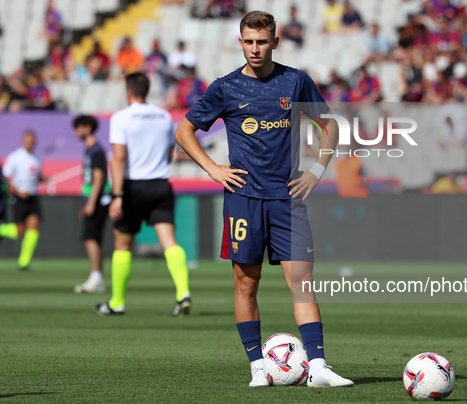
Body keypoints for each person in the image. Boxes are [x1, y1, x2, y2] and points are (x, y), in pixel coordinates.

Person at [175, 11, 353, 388]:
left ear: (275, 41)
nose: (255, 48)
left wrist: (317, 170)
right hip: (243, 199)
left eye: (262, 41)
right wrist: (212, 168)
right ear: (240, 43)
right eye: (249, 41)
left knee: (302, 280)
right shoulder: (225, 88)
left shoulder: (295, 80)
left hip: (287, 198)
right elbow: (184, 130)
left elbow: (330, 125)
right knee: (245, 284)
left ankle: (318, 366)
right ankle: (258, 367)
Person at [95, 73, 191, 317]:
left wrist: (116, 194)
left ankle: (117, 302)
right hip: (161, 184)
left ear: (129, 92)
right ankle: (183, 293)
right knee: (169, 240)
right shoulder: (163, 116)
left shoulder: (121, 117)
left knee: (122, 243)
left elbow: (118, 158)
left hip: (133, 187)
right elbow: (170, 153)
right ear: (147, 91)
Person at [73, 115, 111, 294]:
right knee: (93, 238)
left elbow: (99, 178)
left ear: (87, 127)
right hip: (94, 199)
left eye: (78, 127)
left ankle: (96, 277)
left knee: (89, 237)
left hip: (99, 200)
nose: (75, 131)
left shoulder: (96, 151)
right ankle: (97, 277)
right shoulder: (90, 150)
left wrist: (91, 202)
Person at [0, 131, 45, 270]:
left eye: (32, 141)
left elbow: (36, 177)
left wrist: (43, 179)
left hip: (32, 197)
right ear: (22, 141)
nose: (29, 143)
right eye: (27, 140)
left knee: (34, 225)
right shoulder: (15, 157)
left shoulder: (37, 158)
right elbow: (6, 179)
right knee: (20, 231)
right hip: (18, 197)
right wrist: (19, 192)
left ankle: (24, 262)